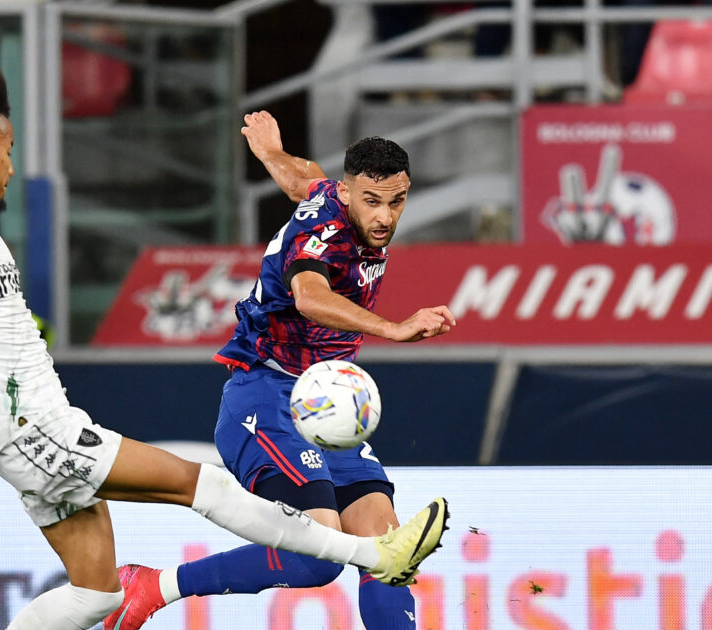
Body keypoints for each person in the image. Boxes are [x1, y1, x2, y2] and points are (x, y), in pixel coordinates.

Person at [0, 60, 448, 630]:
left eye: (397, 200)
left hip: (39, 425)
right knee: (206, 490)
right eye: (9, 151)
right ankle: (368, 554)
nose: (13, 165)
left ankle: (336, 559)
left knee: (94, 594)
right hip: (43, 430)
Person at [103, 111, 457, 630]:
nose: (385, 216)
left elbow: (304, 179)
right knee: (316, 557)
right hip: (266, 397)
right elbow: (309, 296)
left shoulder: (332, 195)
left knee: (387, 551)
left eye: (396, 201)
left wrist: (271, 153)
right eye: (372, 201)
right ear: (348, 193)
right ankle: (154, 585)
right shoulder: (323, 232)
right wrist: (394, 328)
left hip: (323, 402)